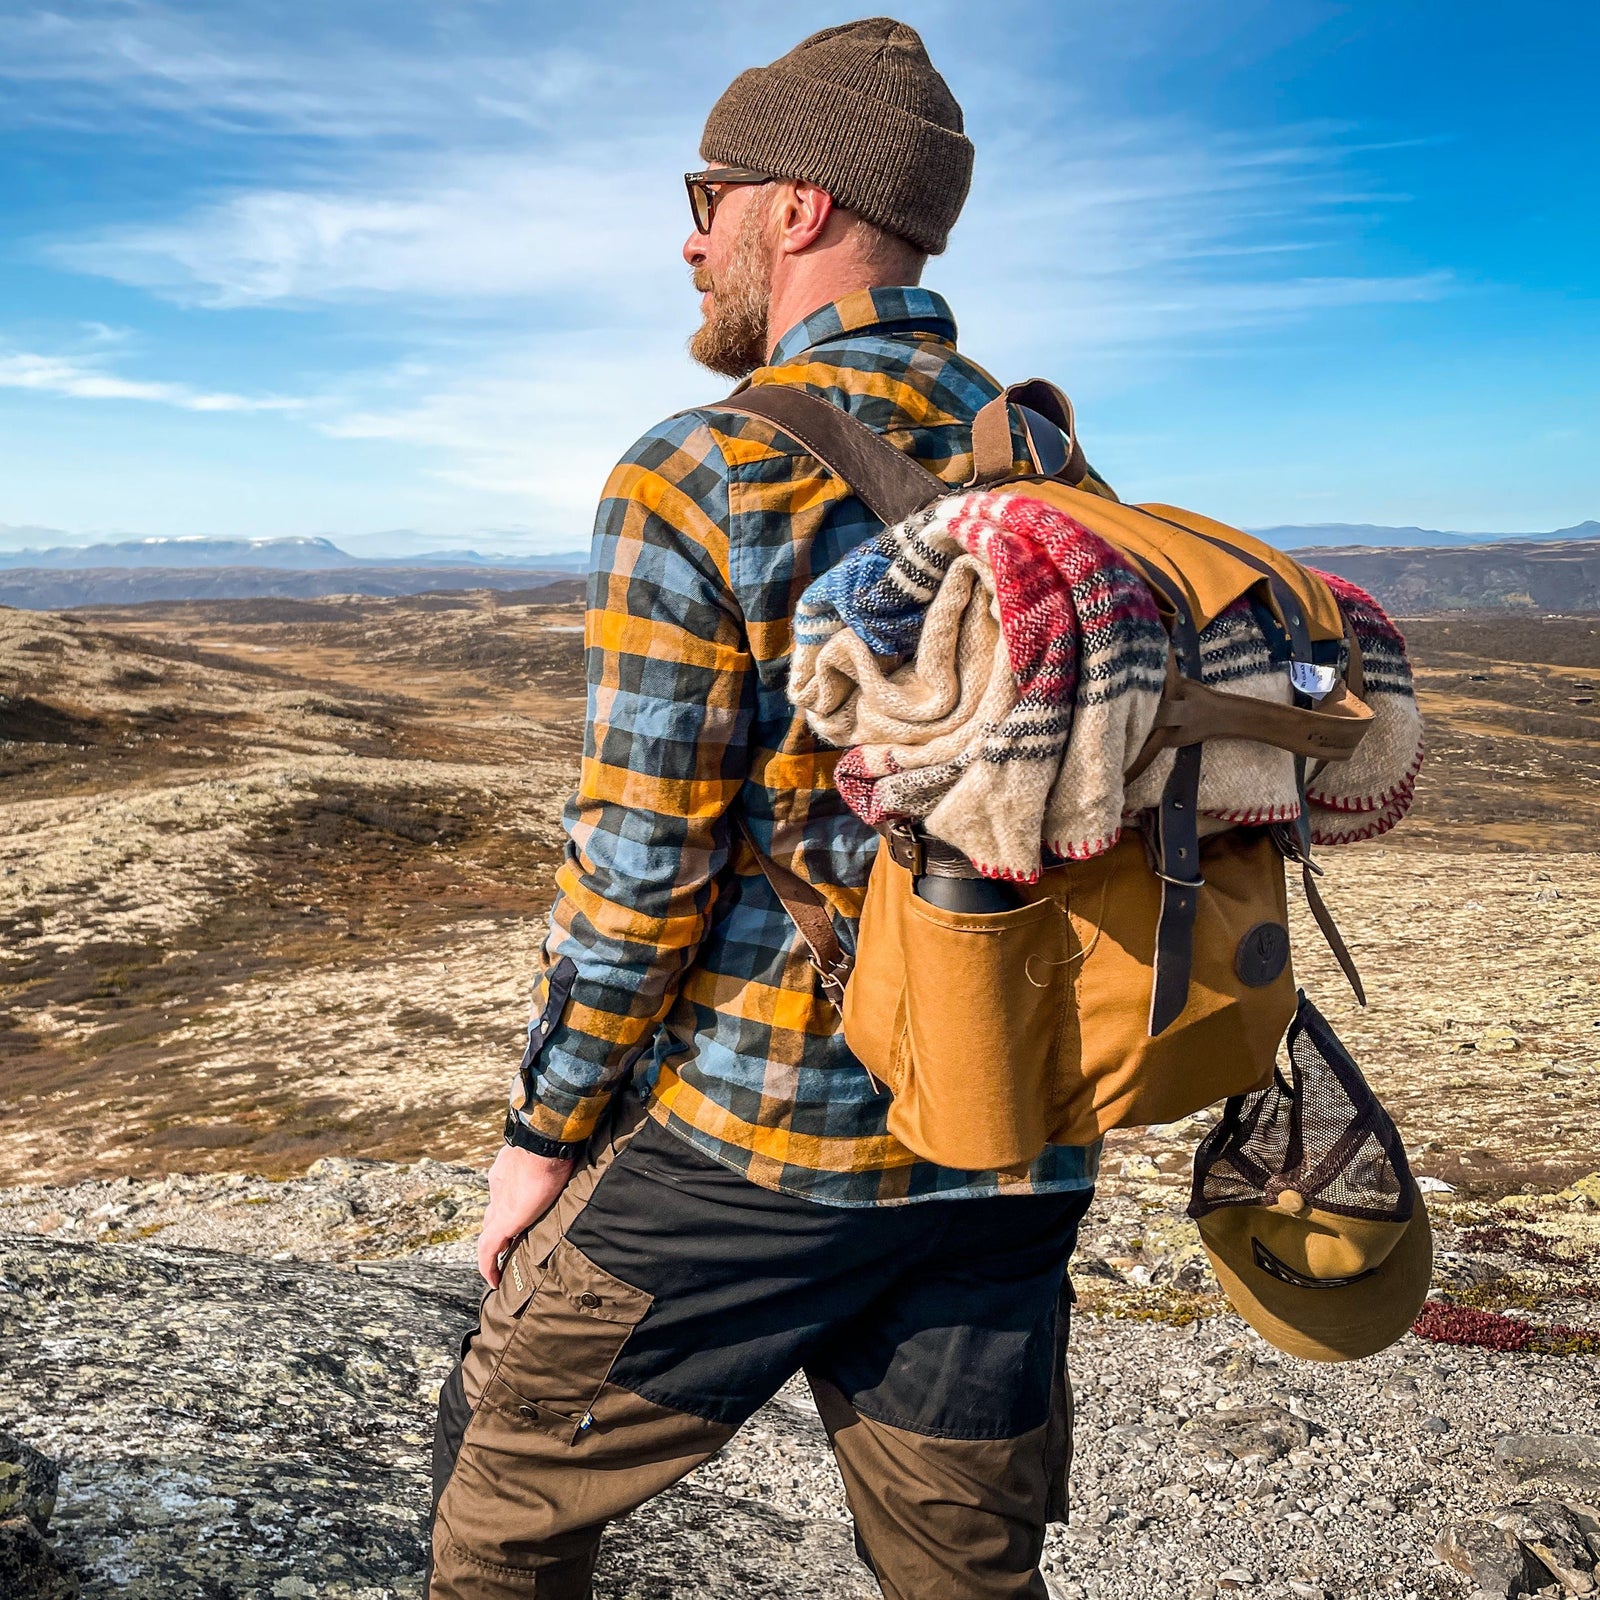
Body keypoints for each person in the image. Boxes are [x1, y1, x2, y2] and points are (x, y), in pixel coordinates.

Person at [427, 19, 1117, 1600]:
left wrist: (542, 1139)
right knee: (966, 1565)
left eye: (708, 193)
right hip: (1016, 1138)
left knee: (502, 1503)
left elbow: (645, 863)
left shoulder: (707, 468)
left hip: (767, 1140)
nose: (689, 238)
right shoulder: (1056, 462)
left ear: (794, 209)